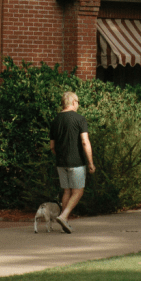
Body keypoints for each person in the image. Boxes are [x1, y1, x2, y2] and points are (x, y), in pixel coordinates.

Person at [48, 91, 95, 233]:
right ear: (74, 102)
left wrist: (60, 155)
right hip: (76, 162)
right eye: (78, 102)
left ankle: (65, 223)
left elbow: (52, 146)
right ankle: (63, 216)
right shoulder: (79, 119)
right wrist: (91, 163)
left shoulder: (55, 120)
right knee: (78, 191)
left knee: (67, 191)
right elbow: (85, 142)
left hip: (61, 162)